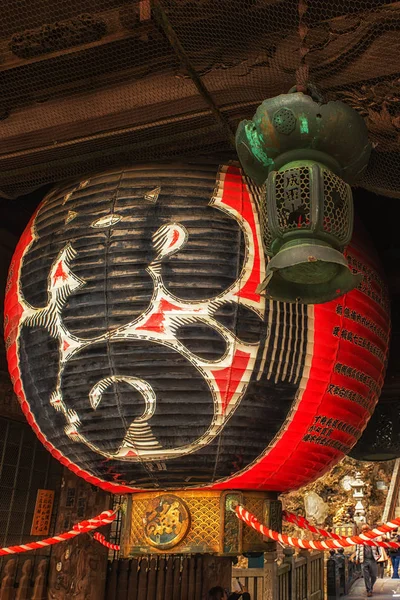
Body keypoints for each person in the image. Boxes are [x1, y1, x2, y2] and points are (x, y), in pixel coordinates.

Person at [355, 524, 380, 597]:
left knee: (374, 576)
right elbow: (357, 549)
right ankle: (369, 590)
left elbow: (378, 546)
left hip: (372, 559)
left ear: (369, 530)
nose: (365, 531)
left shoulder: (374, 537)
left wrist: (379, 555)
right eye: (363, 529)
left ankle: (371, 586)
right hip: (364, 559)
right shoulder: (360, 538)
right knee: (366, 576)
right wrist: (357, 558)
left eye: (366, 529)